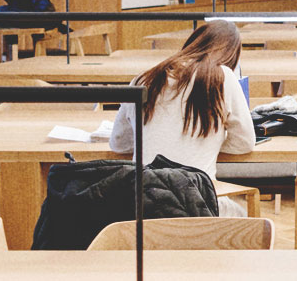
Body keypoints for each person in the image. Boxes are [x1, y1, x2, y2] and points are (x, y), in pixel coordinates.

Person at [108, 20, 255, 216]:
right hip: (196, 203)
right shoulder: (223, 77)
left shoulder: (144, 78)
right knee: (245, 220)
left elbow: (119, 143)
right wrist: (209, 142)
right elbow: (245, 142)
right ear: (232, 56)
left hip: (141, 204)